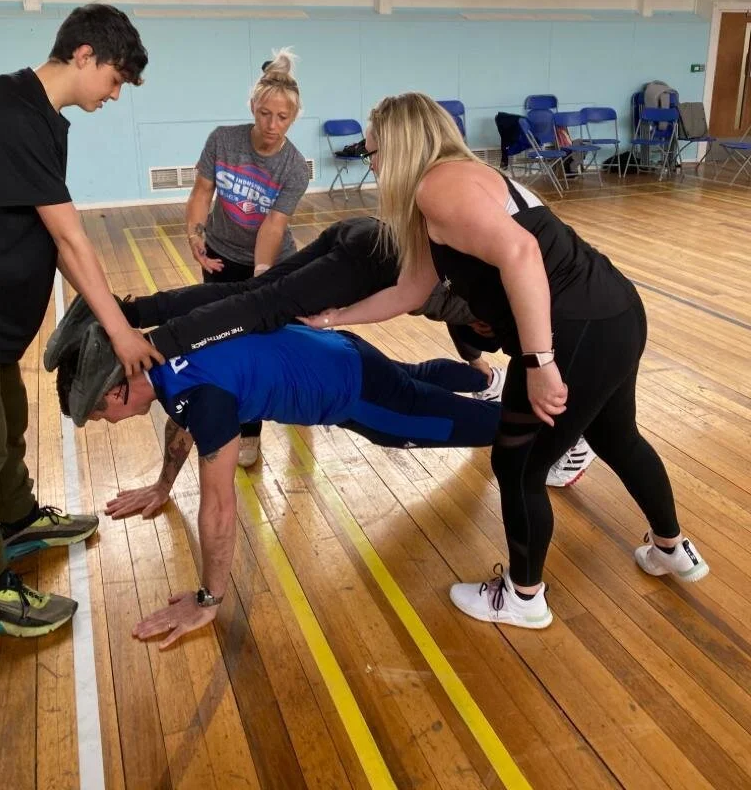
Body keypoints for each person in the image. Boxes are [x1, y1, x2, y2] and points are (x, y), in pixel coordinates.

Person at [300, 94, 708, 630]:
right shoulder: (455, 183)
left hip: (575, 331)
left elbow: (521, 255)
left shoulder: (437, 187)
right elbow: (412, 288)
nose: (368, 160)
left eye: (371, 149)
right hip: (615, 312)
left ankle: (523, 596)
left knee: (518, 466)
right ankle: (671, 547)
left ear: (398, 146)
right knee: (616, 436)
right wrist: (334, 318)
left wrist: (540, 362)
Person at [45, 216, 597, 485]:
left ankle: (563, 438)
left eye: (102, 412)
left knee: (257, 302)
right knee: (252, 299)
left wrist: (155, 340)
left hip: (363, 260)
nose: (107, 421)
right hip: (362, 256)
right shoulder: (467, 307)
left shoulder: (481, 306)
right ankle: (128, 310)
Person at [56, 321, 503, 647]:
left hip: (349, 393)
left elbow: (218, 510)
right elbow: (184, 418)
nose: (106, 423)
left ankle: (552, 424)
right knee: (412, 380)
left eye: (98, 415)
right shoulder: (166, 351)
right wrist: (162, 486)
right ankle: (491, 379)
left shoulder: (204, 400)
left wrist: (207, 601)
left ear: (115, 392)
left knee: (461, 426)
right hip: (339, 350)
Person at [0, 4, 163, 638]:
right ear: (84, 54)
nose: (115, 94)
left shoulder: (46, 120)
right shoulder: (7, 108)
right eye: (115, 79)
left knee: (6, 425)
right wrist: (118, 329)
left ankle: (19, 520)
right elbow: (69, 235)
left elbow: (49, 235)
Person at [186, 51, 309, 467]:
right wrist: (195, 234)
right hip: (220, 255)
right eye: (264, 113)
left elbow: (274, 225)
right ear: (252, 109)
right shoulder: (223, 140)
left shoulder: (294, 167)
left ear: (293, 119)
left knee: (262, 344)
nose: (271, 126)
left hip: (270, 262)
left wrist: (261, 275)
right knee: (222, 340)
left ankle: (258, 427)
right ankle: (228, 419)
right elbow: (203, 192)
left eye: (282, 118)